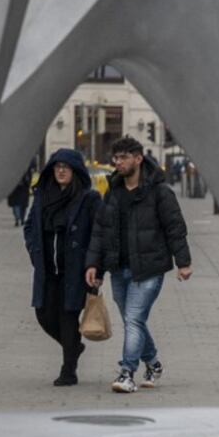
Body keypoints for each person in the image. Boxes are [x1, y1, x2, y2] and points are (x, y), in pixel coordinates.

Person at [84, 136, 192, 394]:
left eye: (123, 157)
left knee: (133, 319)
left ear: (138, 158)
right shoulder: (113, 192)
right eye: (116, 158)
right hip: (119, 268)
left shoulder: (159, 191)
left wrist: (183, 262)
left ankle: (127, 373)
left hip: (149, 267)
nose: (118, 163)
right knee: (134, 321)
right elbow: (101, 231)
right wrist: (94, 266)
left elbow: (175, 227)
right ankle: (153, 363)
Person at [24, 150, 101, 386]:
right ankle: (74, 347)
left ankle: (69, 371)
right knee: (44, 315)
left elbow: (99, 233)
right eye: (57, 166)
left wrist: (95, 265)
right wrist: (34, 251)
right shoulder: (42, 196)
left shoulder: (89, 198)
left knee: (68, 319)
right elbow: (29, 227)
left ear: (75, 171)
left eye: (66, 167)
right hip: (47, 271)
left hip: (76, 272)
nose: (61, 171)